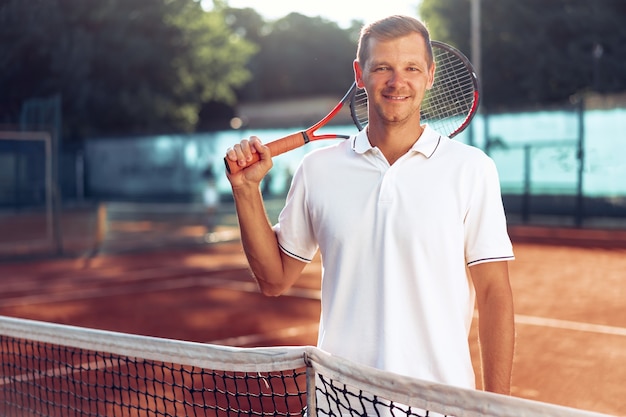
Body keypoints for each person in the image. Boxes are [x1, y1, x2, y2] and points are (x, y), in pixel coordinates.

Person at [224, 15, 515, 395]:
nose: (398, 82)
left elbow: (494, 293)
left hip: (439, 404)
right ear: (360, 75)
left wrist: (494, 407)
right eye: (383, 68)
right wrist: (246, 190)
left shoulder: (472, 170)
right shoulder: (317, 170)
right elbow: (274, 279)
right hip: (339, 402)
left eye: (411, 68)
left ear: (430, 75)